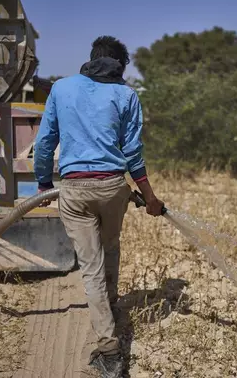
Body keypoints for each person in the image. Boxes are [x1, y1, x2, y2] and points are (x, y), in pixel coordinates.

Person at [33, 35, 165, 377]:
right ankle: (113, 303)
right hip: (112, 189)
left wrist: (45, 184)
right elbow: (133, 152)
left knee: (90, 268)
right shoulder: (126, 94)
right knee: (111, 246)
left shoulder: (61, 89)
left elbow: (45, 141)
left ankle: (109, 352)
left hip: (74, 192)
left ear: (92, 58)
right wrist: (148, 195)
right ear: (120, 66)